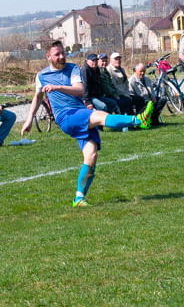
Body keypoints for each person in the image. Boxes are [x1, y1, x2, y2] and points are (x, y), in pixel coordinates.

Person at [19, 41, 151, 206]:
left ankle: (79, 197)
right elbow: (38, 97)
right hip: (65, 116)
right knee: (101, 115)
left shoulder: (72, 68)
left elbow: (79, 90)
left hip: (80, 111)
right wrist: (29, 119)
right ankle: (138, 120)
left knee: (91, 156)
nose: (61, 57)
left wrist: (58, 87)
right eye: (57, 54)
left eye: (62, 53)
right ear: (48, 57)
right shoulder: (42, 76)